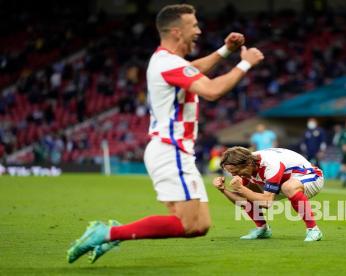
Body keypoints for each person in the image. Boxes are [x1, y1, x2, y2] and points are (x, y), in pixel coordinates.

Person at [67, 4, 264, 264]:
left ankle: (112, 233)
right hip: (170, 150)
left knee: (198, 224)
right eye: (193, 26)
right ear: (176, 32)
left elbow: (194, 68)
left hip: (173, 151)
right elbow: (212, 91)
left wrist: (225, 50)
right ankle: (108, 233)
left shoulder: (164, 61)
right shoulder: (168, 63)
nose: (199, 30)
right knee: (190, 224)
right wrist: (245, 64)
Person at [213, 146, 324, 242]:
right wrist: (223, 190)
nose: (233, 174)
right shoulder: (248, 163)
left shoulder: (270, 165)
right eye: (230, 172)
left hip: (312, 176)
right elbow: (242, 200)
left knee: (288, 187)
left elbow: (267, 202)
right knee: (250, 191)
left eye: (234, 170)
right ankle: (262, 229)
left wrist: (242, 189)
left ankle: (313, 229)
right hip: (285, 180)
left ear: (247, 164)